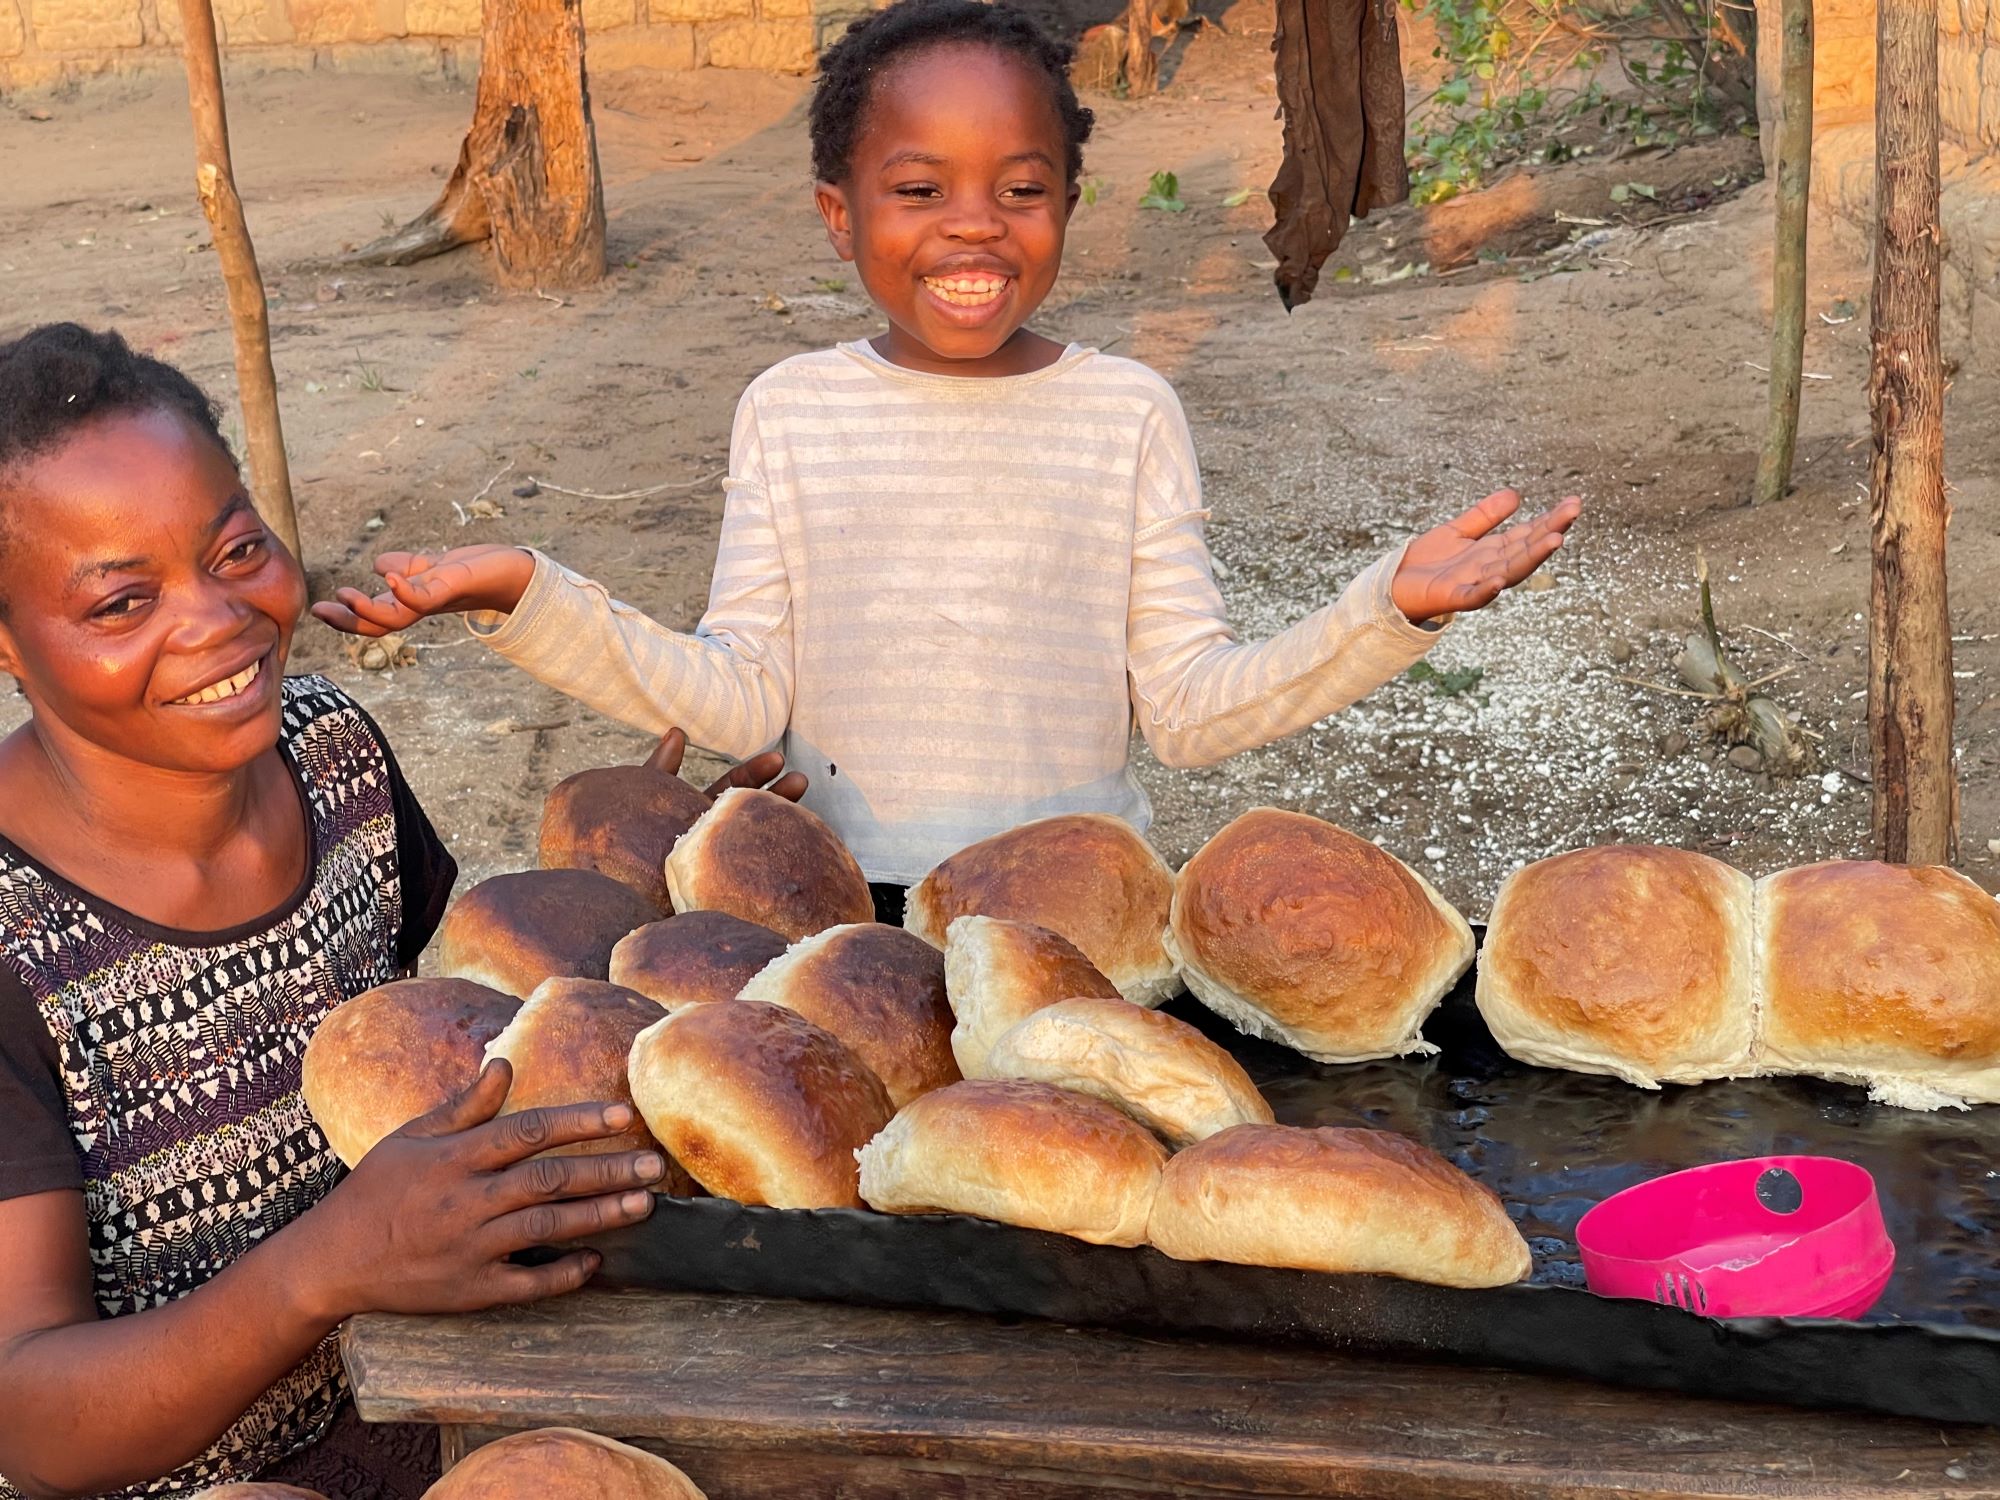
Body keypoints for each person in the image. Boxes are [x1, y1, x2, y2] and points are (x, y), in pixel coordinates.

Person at [315, 0, 1582, 925]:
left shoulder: (1125, 414)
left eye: (1018, 188)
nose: (973, 222)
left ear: (1069, 204)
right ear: (839, 214)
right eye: (918, 189)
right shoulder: (790, 411)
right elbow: (743, 702)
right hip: (832, 921)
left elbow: (1193, 711)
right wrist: (522, 592)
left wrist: (1386, 610)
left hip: (1077, 914)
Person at [0, 325, 794, 1500]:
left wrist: (655, 889)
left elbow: (431, 1053)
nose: (216, 618)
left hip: (429, 1393)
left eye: (234, 548)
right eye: (121, 603)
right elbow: (32, 1423)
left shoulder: (333, 756)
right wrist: (322, 1267)